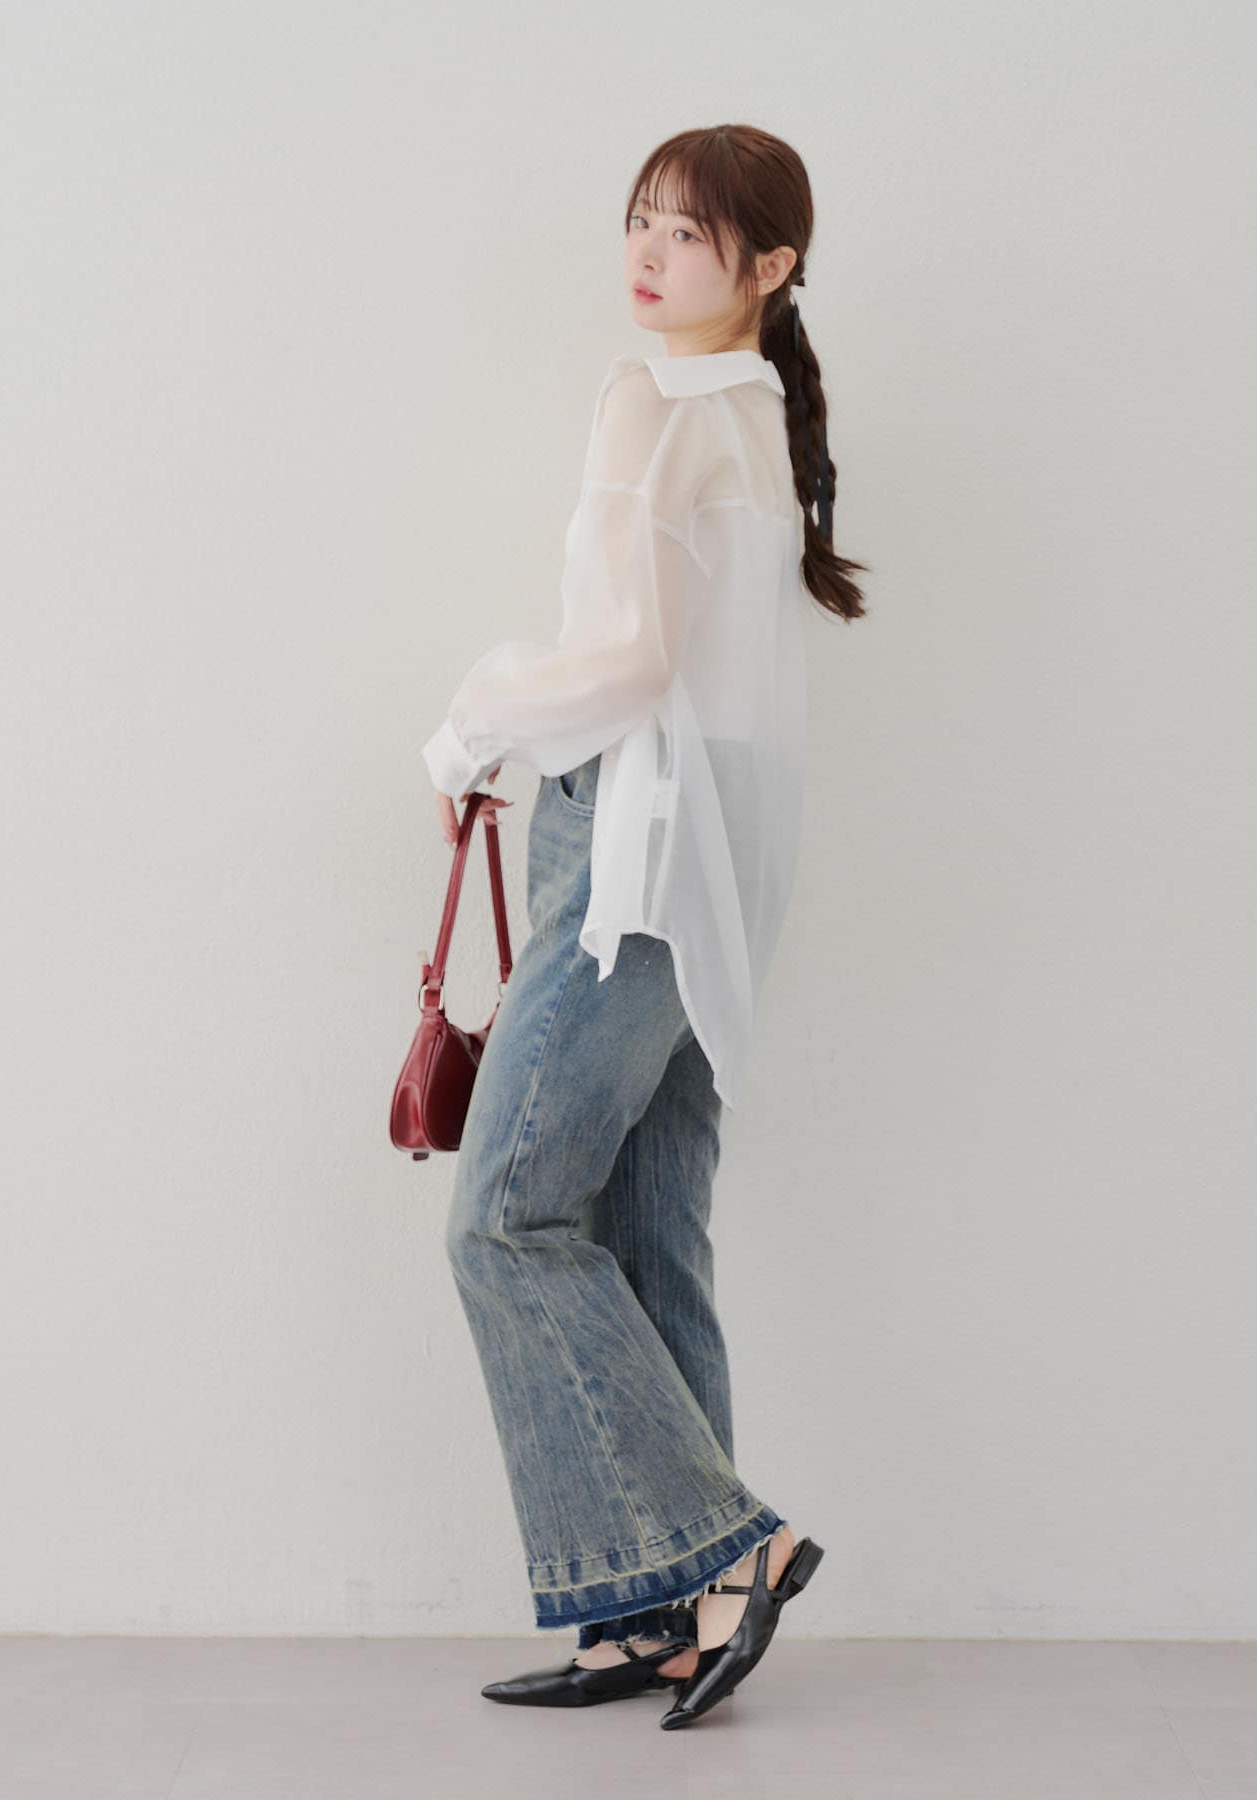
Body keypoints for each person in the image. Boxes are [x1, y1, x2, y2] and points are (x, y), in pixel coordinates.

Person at [419, 123, 868, 1728]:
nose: (650, 252)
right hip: (720, 883)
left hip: (633, 850)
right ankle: (655, 1620)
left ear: (771, 265)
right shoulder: (755, 415)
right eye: (642, 222)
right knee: (642, 1236)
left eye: (689, 231)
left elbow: (629, 664)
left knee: (505, 1221)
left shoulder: (655, 402)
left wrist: (475, 722)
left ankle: (730, 1553)